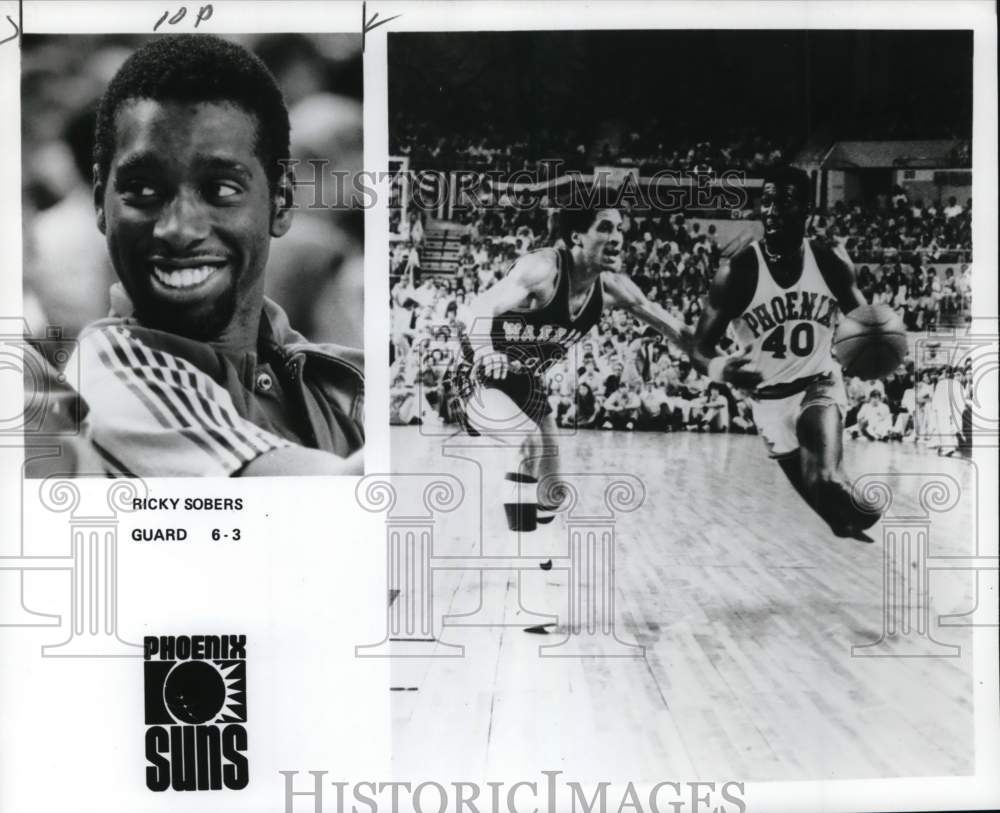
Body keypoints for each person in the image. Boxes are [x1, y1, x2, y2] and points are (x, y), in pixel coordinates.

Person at [71, 35, 363, 476]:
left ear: (281, 201)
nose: (178, 229)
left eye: (221, 190)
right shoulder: (112, 375)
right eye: (143, 191)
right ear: (100, 202)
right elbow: (340, 498)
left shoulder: (323, 372)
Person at [449, 191, 692, 532]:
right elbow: (476, 308)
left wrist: (718, 361)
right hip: (476, 373)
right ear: (576, 236)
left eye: (620, 229)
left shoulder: (613, 288)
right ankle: (520, 561)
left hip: (526, 383)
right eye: (605, 228)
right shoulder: (543, 269)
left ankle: (536, 549)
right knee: (527, 444)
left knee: (553, 493)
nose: (617, 238)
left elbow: (676, 330)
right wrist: (487, 353)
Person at [690, 166, 880, 541]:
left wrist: (872, 342)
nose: (773, 210)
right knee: (835, 518)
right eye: (768, 201)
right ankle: (845, 511)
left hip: (818, 384)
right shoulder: (738, 271)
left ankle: (874, 507)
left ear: (806, 209)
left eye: (786, 202)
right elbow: (699, 348)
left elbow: (864, 322)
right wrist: (721, 370)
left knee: (826, 481)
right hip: (768, 403)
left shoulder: (828, 261)